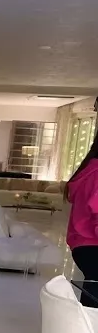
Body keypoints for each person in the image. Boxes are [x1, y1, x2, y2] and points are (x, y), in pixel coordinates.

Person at [66, 117, 98, 308]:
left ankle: (84, 325)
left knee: (91, 298)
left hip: (84, 246)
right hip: (92, 246)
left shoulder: (90, 170)